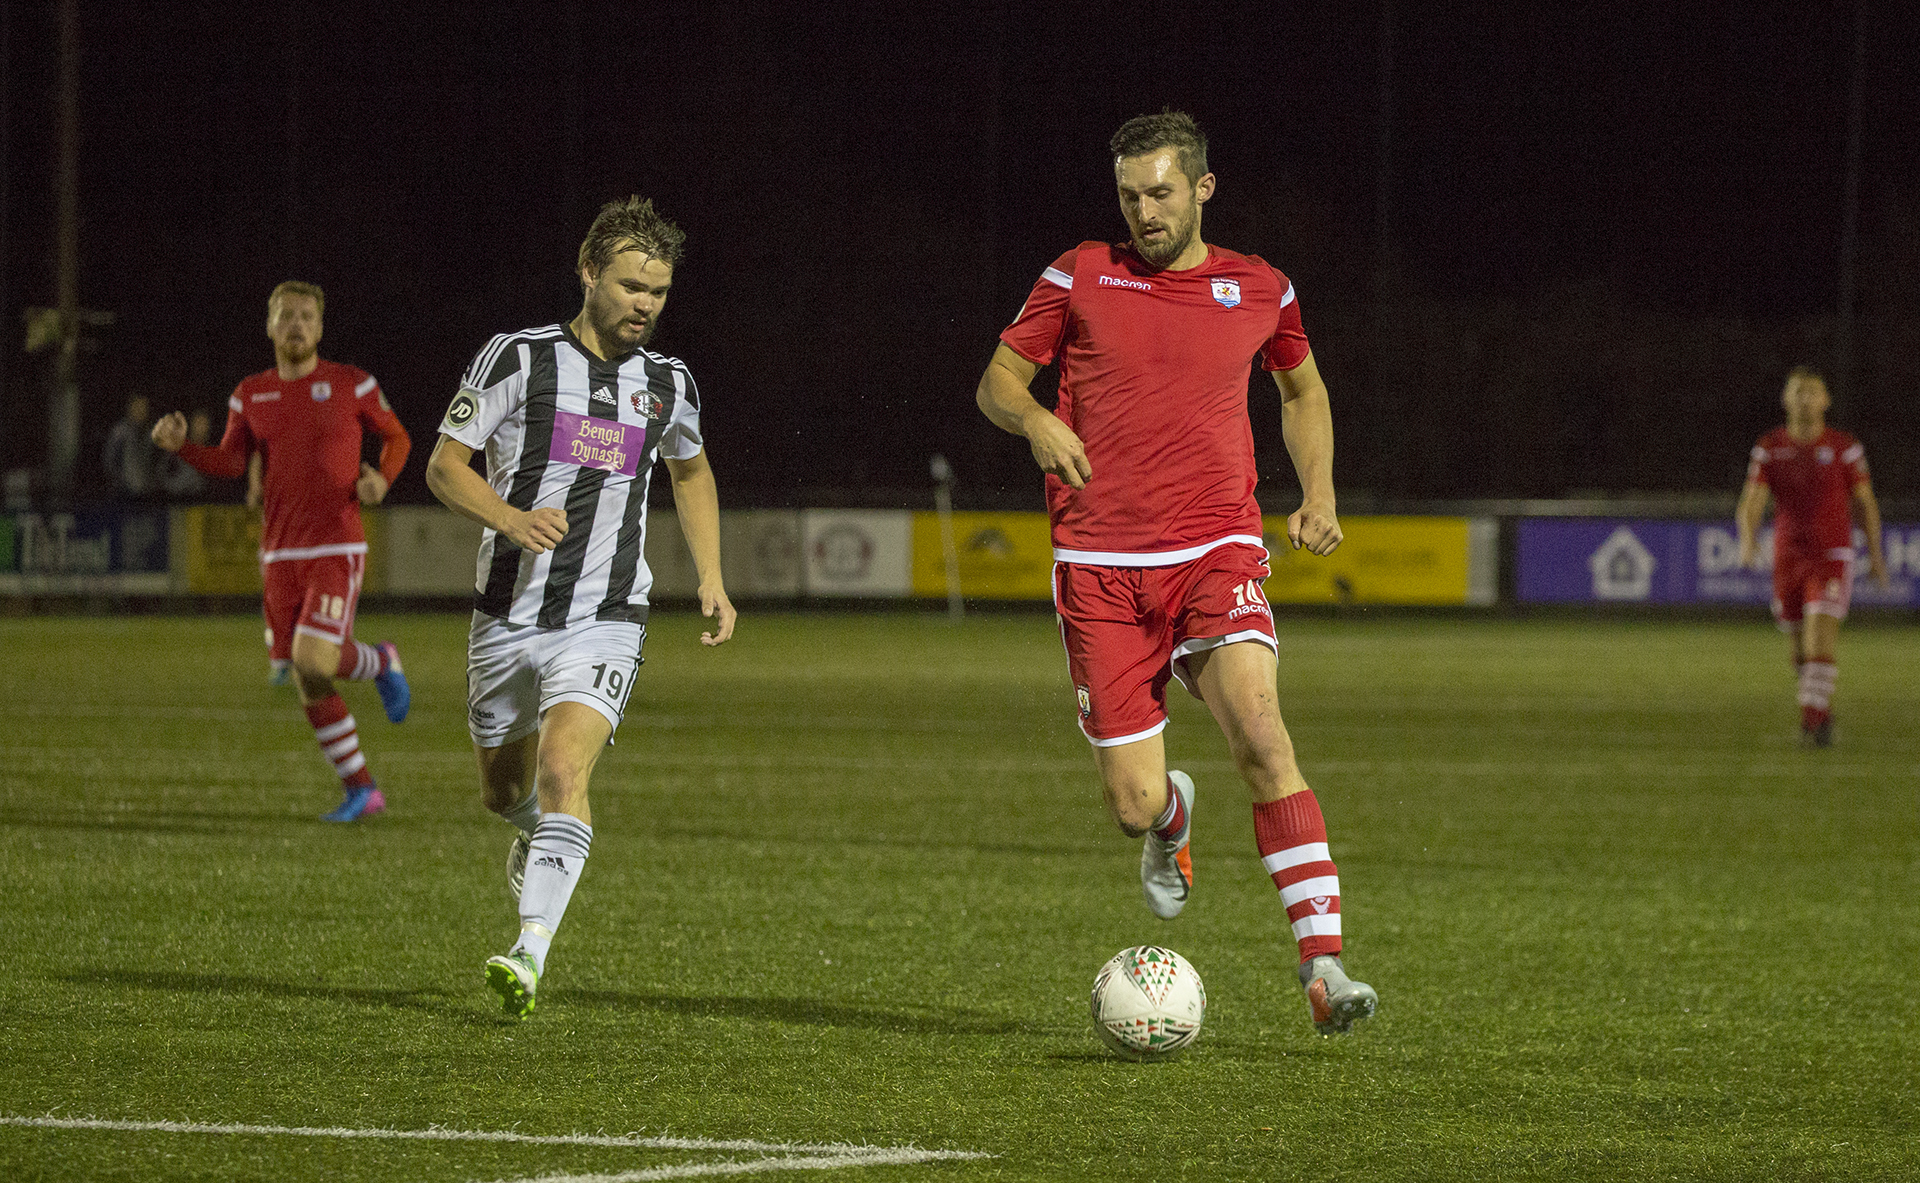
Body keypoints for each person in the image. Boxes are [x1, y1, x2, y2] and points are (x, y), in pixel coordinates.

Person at [975, 111, 1377, 1036]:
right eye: (1128, 195)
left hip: (1214, 549)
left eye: (1160, 192)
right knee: (1132, 804)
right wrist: (1035, 421)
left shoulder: (1262, 288)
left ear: (1201, 187)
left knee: (1264, 737)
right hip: (1100, 567)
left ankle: (1324, 966)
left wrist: (1317, 489)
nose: (1144, 211)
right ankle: (1169, 821)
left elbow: (1303, 387)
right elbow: (998, 380)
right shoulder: (1078, 273)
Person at [425, 195, 735, 1020]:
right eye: (632, 285)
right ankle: (532, 833)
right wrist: (510, 517)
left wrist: (710, 573)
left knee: (566, 770)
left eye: (658, 293)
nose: (644, 304)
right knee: (504, 793)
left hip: (607, 614)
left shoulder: (667, 383)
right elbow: (446, 466)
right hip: (506, 615)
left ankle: (528, 953)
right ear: (589, 271)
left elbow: (692, 471)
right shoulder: (516, 357)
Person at [152, 280, 413, 819]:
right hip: (279, 553)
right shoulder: (250, 393)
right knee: (309, 678)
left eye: (307, 317)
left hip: (336, 544)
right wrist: (184, 449)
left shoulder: (353, 384)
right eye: (286, 316)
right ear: (269, 326)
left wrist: (381, 482)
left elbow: (398, 439)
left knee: (310, 657)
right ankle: (362, 790)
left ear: (320, 328)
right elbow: (230, 461)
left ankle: (382, 662)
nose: (297, 325)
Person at [1736, 366, 1888, 746]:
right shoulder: (1770, 447)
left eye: (1813, 392)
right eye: (1798, 392)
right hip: (1788, 557)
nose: (1806, 399)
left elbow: (1864, 502)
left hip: (1832, 555)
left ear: (1826, 400)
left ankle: (1812, 725)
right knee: (1799, 649)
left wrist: (1875, 553)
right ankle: (1820, 712)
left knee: (1821, 638)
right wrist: (1747, 539)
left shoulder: (1844, 447)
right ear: (1786, 399)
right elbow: (1752, 500)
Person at [104, 394, 158, 498]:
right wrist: (120, 483)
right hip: (124, 494)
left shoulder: (152, 434)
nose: (140, 411)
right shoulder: (120, 433)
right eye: (137, 406)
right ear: (130, 408)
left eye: (143, 407)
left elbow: (157, 464)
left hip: (148, 495)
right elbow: (110, 462)